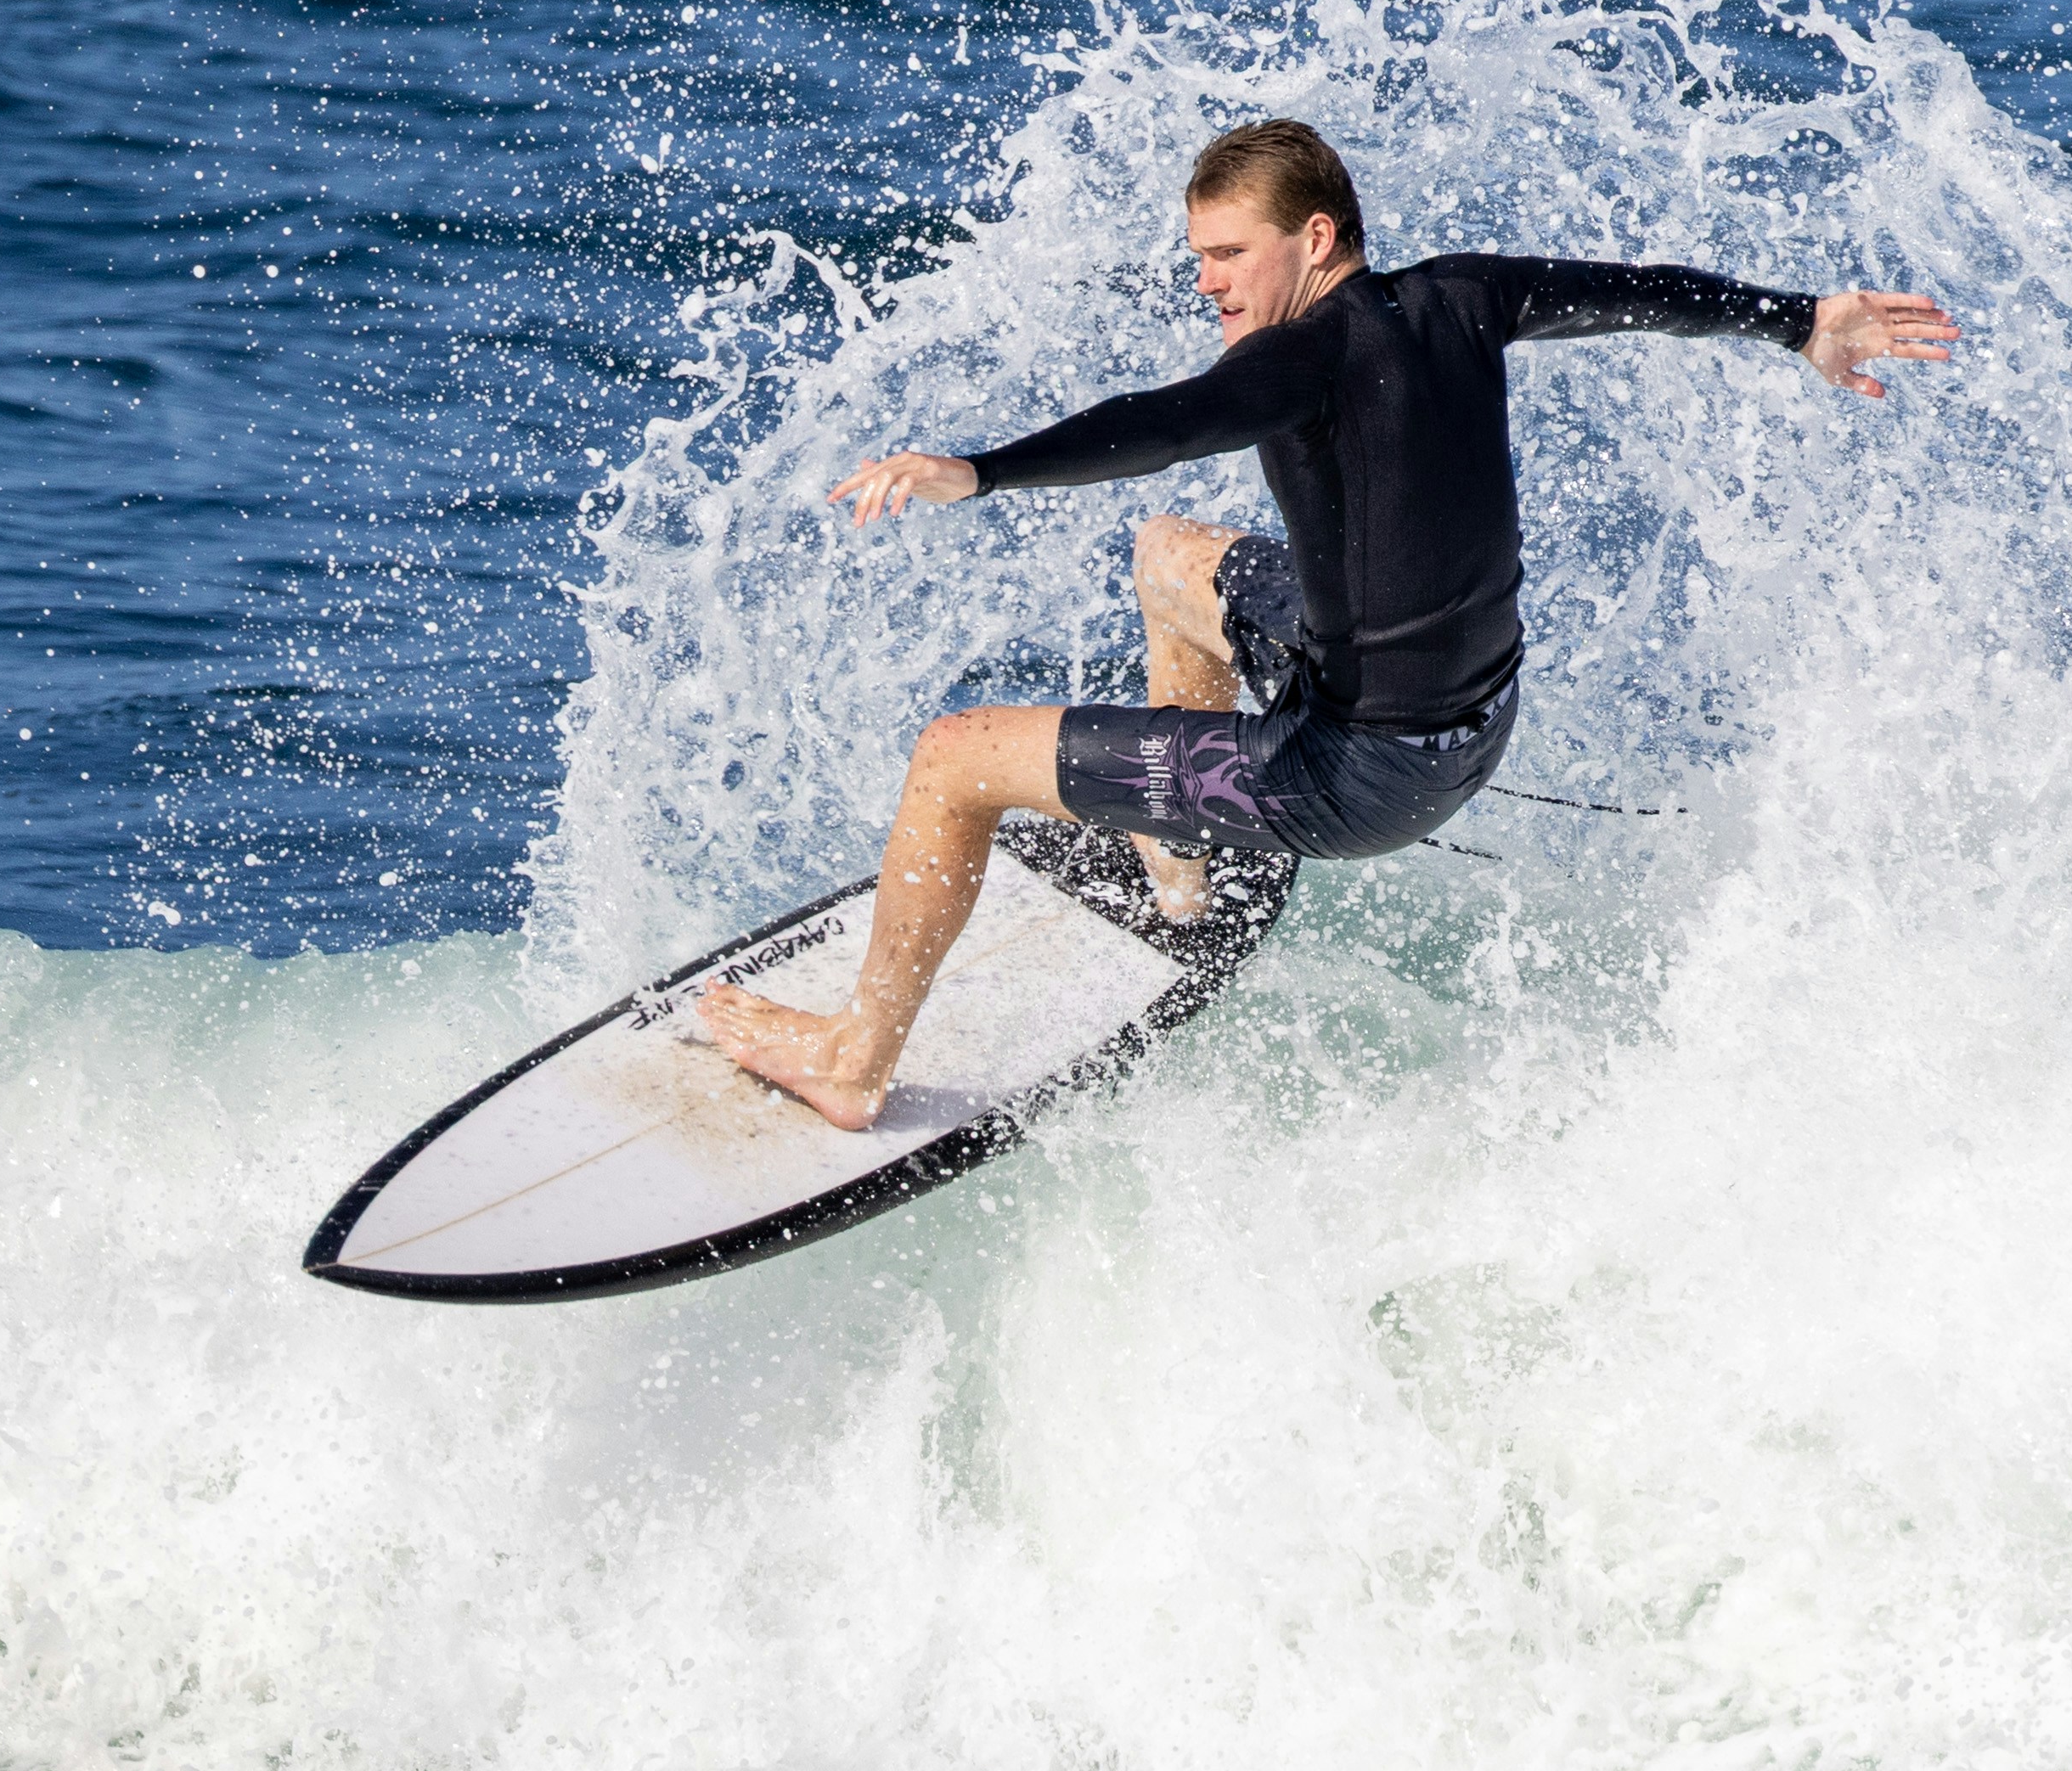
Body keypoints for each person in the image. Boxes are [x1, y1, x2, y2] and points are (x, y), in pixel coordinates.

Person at [699, 115, 1957, 1129]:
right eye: (1197, 258)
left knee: (952, 761)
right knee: (1171, 559)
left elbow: (1163, 425)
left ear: (1313, 237)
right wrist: (1800, 321)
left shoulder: (1293, 359)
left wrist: (979, 470)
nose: (1207, 283)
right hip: (1473, 721)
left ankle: (854, 1062)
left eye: (1227, 255)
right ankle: (1176, 870)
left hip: (1353, 775)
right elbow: (1636, 294)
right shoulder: (1463, 295)